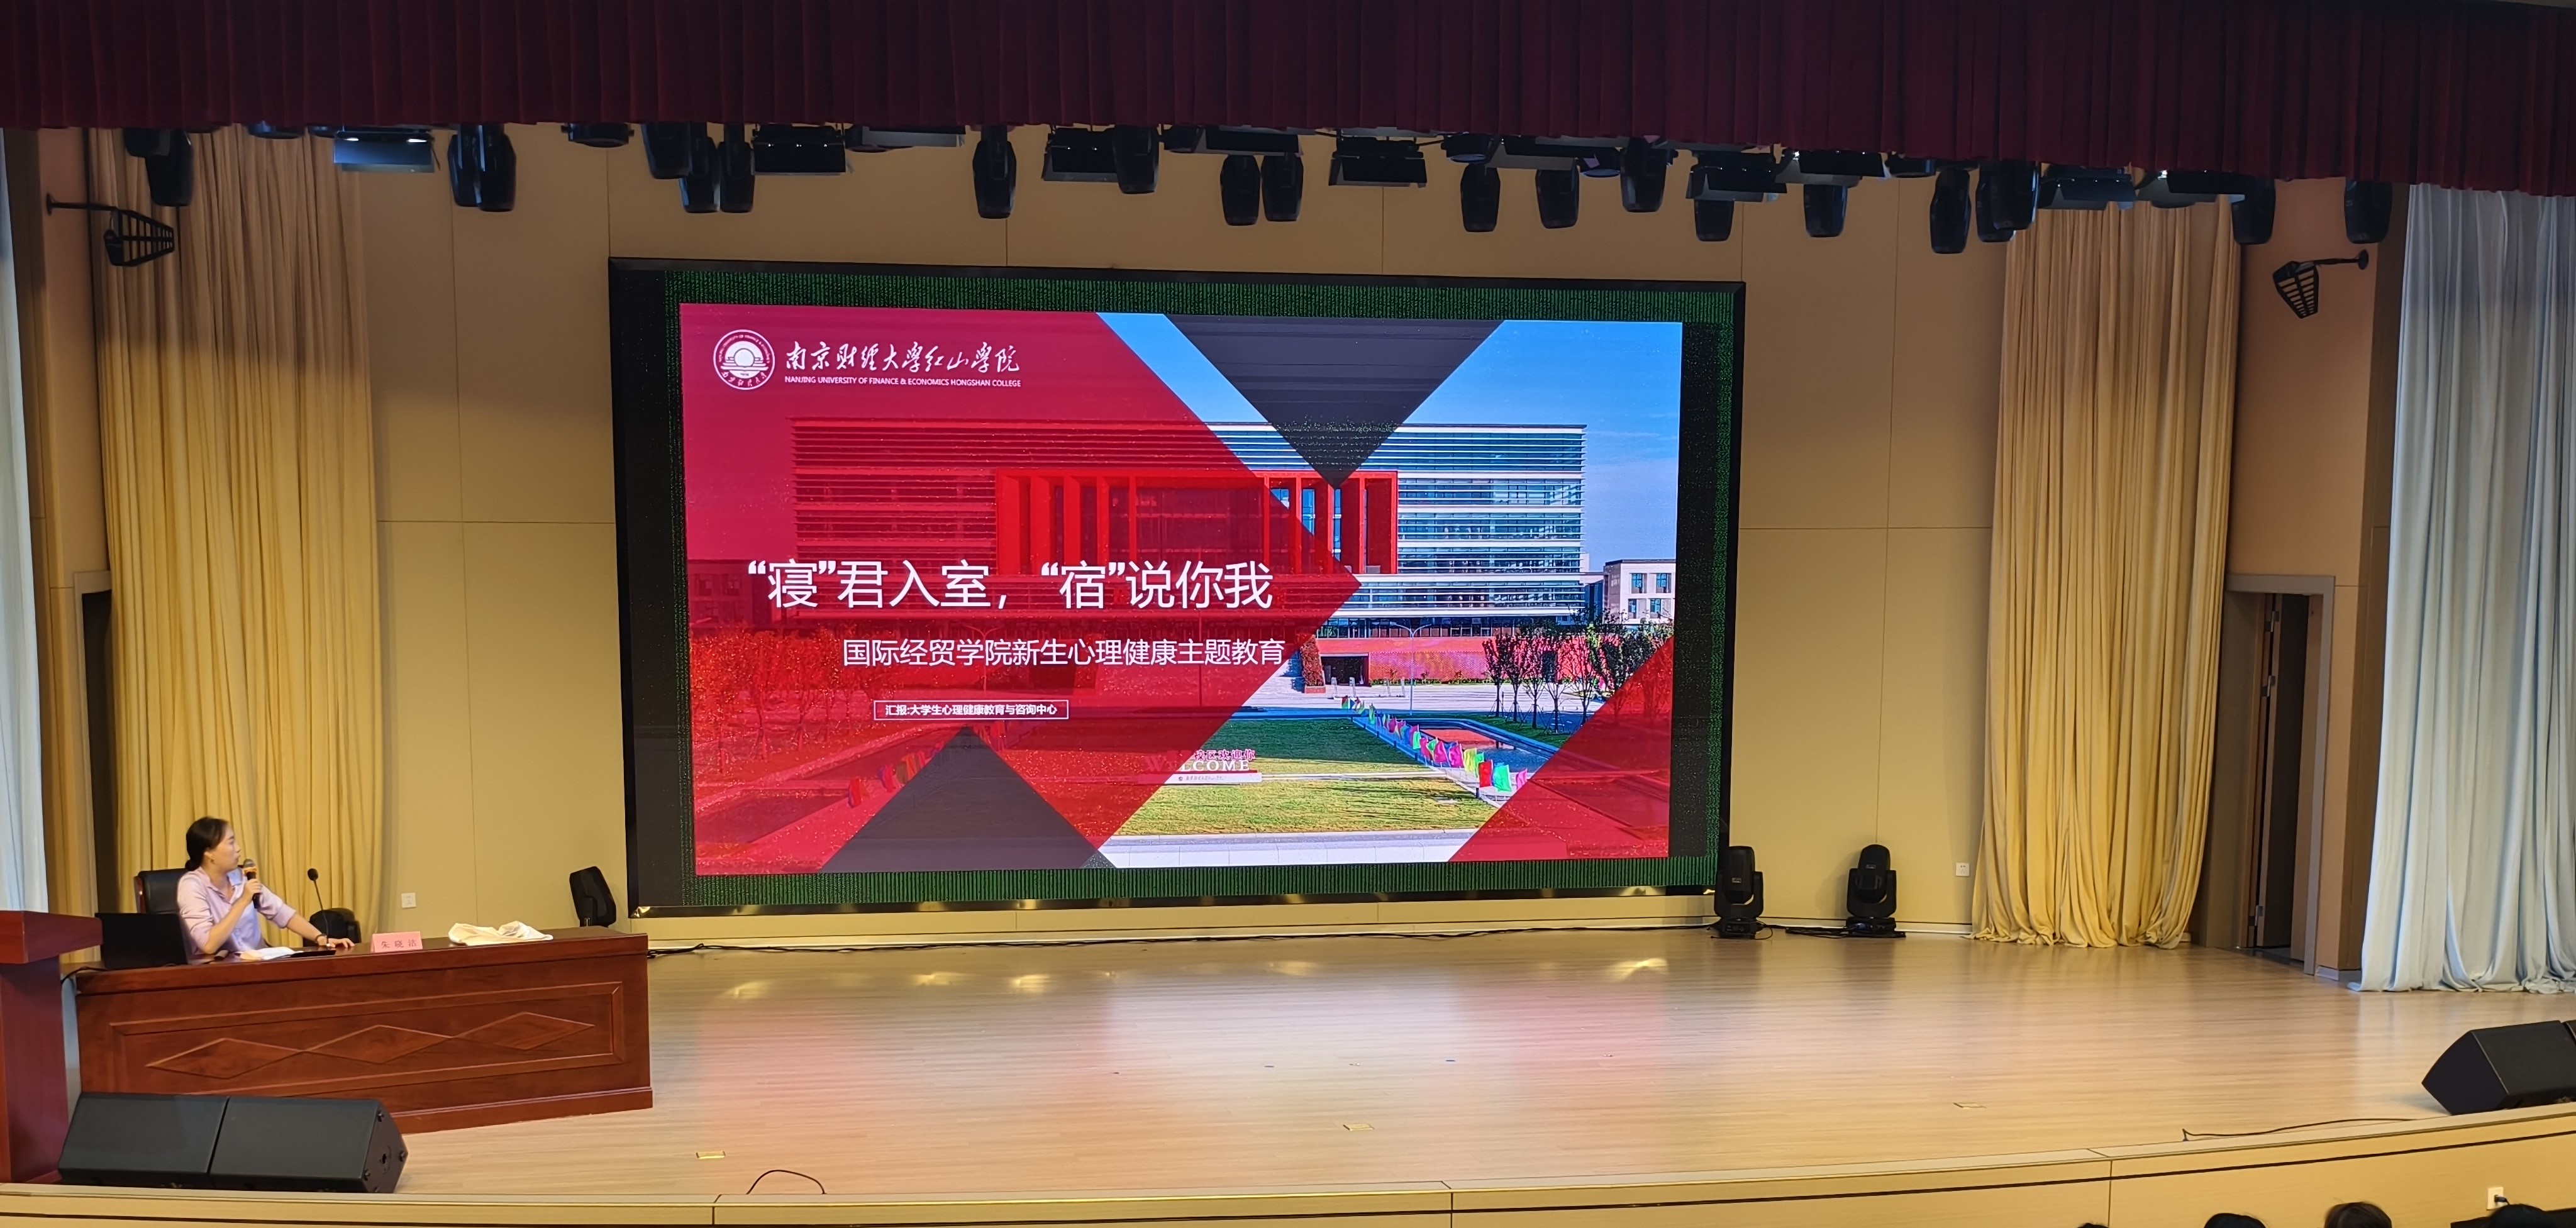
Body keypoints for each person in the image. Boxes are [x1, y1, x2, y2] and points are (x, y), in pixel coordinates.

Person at [174, 817, 352, 961]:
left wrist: (321, 938)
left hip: (256, 965)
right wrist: (243, 901)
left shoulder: (242, 876)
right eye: (231, 843)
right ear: (209, 853)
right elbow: (208, 945)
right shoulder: (192, 886)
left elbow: (281, 913)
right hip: (216, 973)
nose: (238, 849)